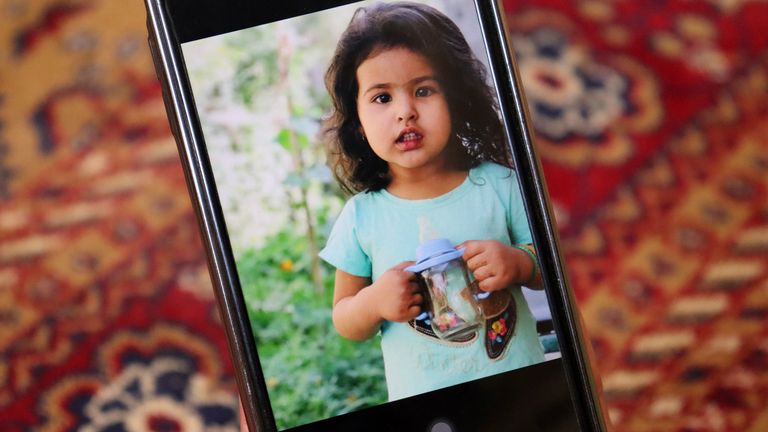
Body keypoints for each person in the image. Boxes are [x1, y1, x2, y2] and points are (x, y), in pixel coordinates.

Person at [319, 1, 546, 402]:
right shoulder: (362, 216)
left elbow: (556, 271)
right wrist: (374, 301)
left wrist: (520, 262)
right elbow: (345, 318)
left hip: (523, 391)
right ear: (357, 121)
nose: (406, 112)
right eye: (382, 98)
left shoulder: (498, 185)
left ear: (456, 100)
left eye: (423, 91)